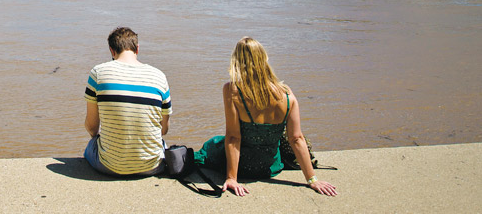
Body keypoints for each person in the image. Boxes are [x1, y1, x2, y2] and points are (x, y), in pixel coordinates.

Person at [197, 37, 337, 197]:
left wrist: (231, 178)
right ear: (264, 59)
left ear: (236, 61)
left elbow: (234, 138)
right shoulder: (287, 94)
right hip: (272, 167)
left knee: (211, 145)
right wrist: (312, 179)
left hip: (242, 166)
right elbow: (296, 138)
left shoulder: (232, 90)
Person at [83, 26, 171, 176]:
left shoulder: (98, 73)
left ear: (112, 50)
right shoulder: (159, 76)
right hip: (152, 167)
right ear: (137, 49)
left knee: (91, 146)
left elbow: (92, 127)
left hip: (109, 166)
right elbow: (164, 129)